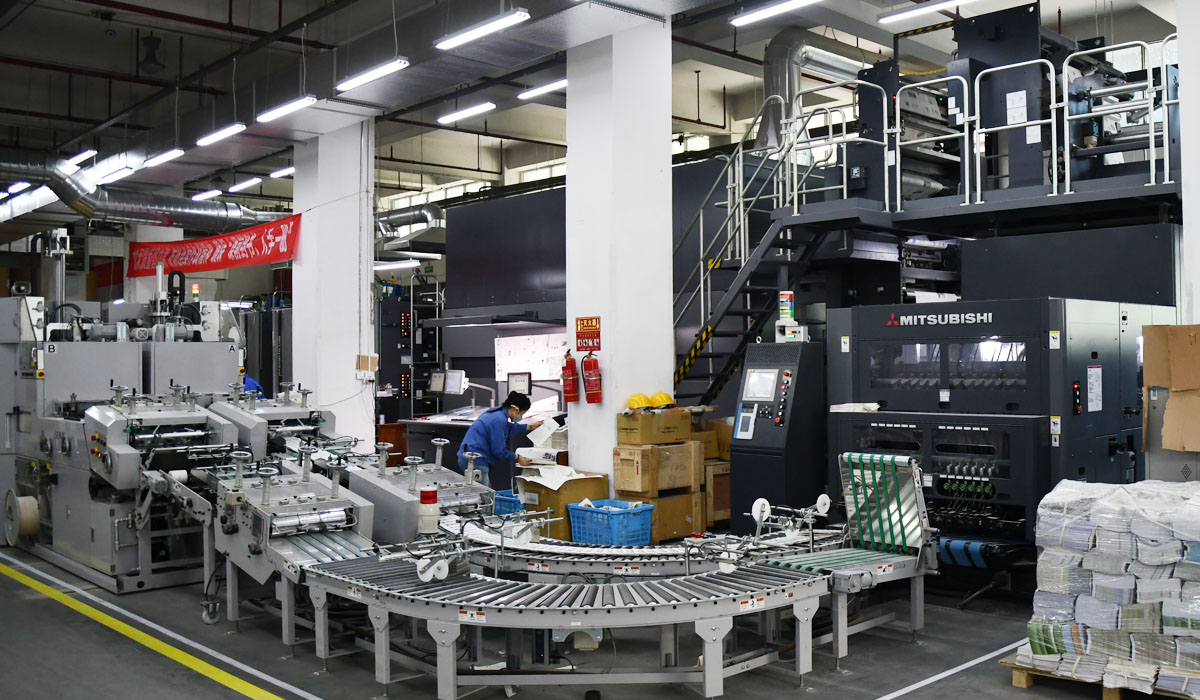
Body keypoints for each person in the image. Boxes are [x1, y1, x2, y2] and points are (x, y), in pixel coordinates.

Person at [457, 391, 543, 487]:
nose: (521, 417)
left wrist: (530, 426)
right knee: (484, 493)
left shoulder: (497, 412)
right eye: (522, 414)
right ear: (516, 410)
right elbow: (499, 451)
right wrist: (517, 458)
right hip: (475, 461)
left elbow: (508, 428)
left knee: (483, 491)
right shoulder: (499, 420)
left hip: (469, 456)